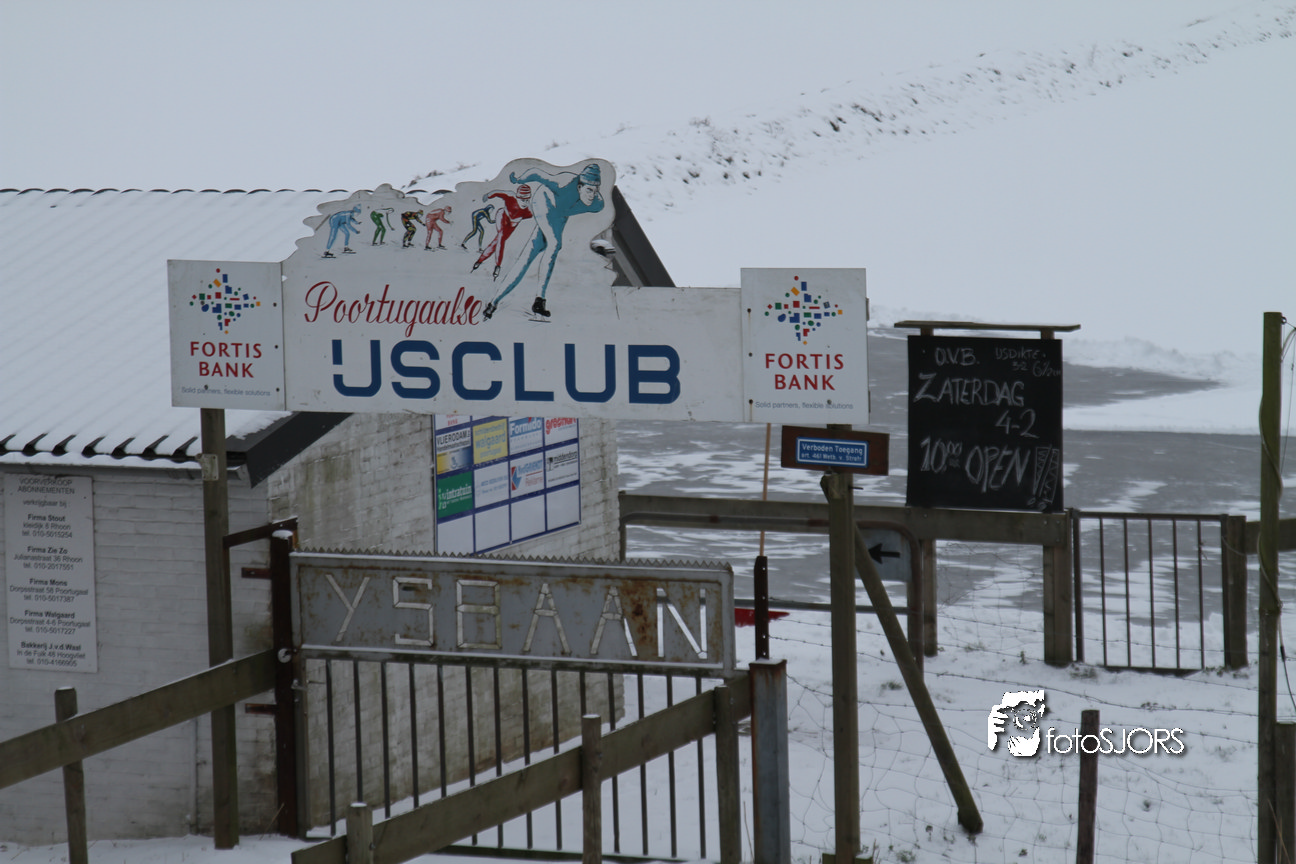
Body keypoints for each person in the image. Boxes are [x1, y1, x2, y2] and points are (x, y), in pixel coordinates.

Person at [482, 162, 604, 319]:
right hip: (543, 202)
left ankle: (493, 303)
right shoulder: (564, 182)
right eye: (589, 190)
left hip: (558, 216)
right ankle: (539, 300)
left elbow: (573, 208)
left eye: (595, 190)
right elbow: (537, 173)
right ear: (579, 187)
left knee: (527, 257)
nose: (592, 195)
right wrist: (519, 180)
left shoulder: (597, 204)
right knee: (554, 244)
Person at [471, 184, 533, 280]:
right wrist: (488, 195)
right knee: (501, 238)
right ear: (518, 197)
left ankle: (480, 260)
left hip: (512, 224)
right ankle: (497, 266)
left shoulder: (529, 210)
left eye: (527, 200)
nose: (525, 202)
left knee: (497, 241)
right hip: (502, 216)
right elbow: (497, 192)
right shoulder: (510, 196)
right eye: (522, 199)